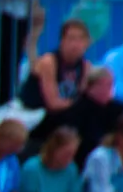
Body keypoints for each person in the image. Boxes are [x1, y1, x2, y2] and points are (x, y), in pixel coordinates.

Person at [21, 18, 92, 147]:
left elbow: (82, 96)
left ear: (87, 43)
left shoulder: (85, 66)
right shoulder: (49, 62)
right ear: (62, 41)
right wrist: (76, 105)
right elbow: (52, 103)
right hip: (36, 115)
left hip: (64, 115)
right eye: (71, 39)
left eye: (81, 39)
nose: (76, 44)